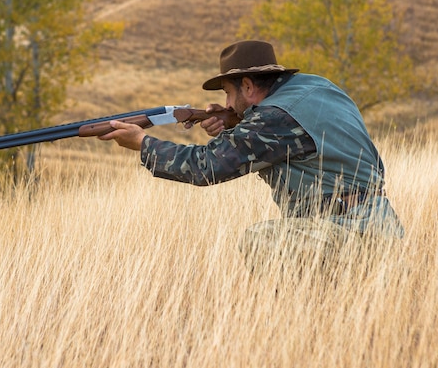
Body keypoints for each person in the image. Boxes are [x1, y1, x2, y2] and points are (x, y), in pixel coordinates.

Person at [98, 40, 404, 256]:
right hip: (379, 225)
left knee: (261, 240)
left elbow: (206, 167)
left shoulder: (274, 118)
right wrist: (237, 124)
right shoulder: (316, 88)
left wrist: (142, 144)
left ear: (248, 86)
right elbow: (298, 142)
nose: (228, 104)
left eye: (230, 94)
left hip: (347, 233)